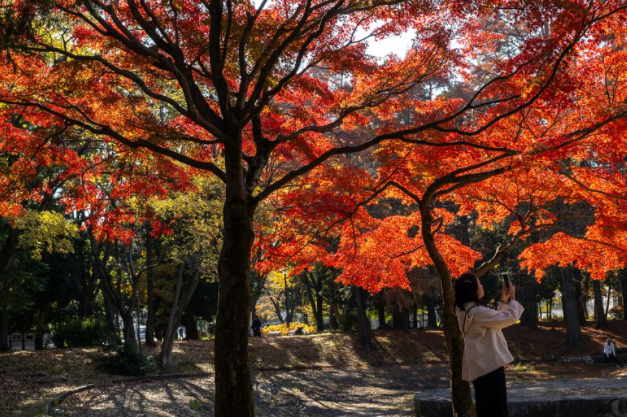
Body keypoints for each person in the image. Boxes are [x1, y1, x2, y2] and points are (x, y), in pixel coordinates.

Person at [454, 272, 524, 417]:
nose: (482, 285)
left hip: (480, 369)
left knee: (485, 410)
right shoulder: (479, 312)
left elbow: (494, 323)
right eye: (479, 283)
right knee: (498, 410)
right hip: (492, 368)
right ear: (473, 289)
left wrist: (503, 302)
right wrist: (512, 298)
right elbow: (509, 318)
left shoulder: (462, 310)